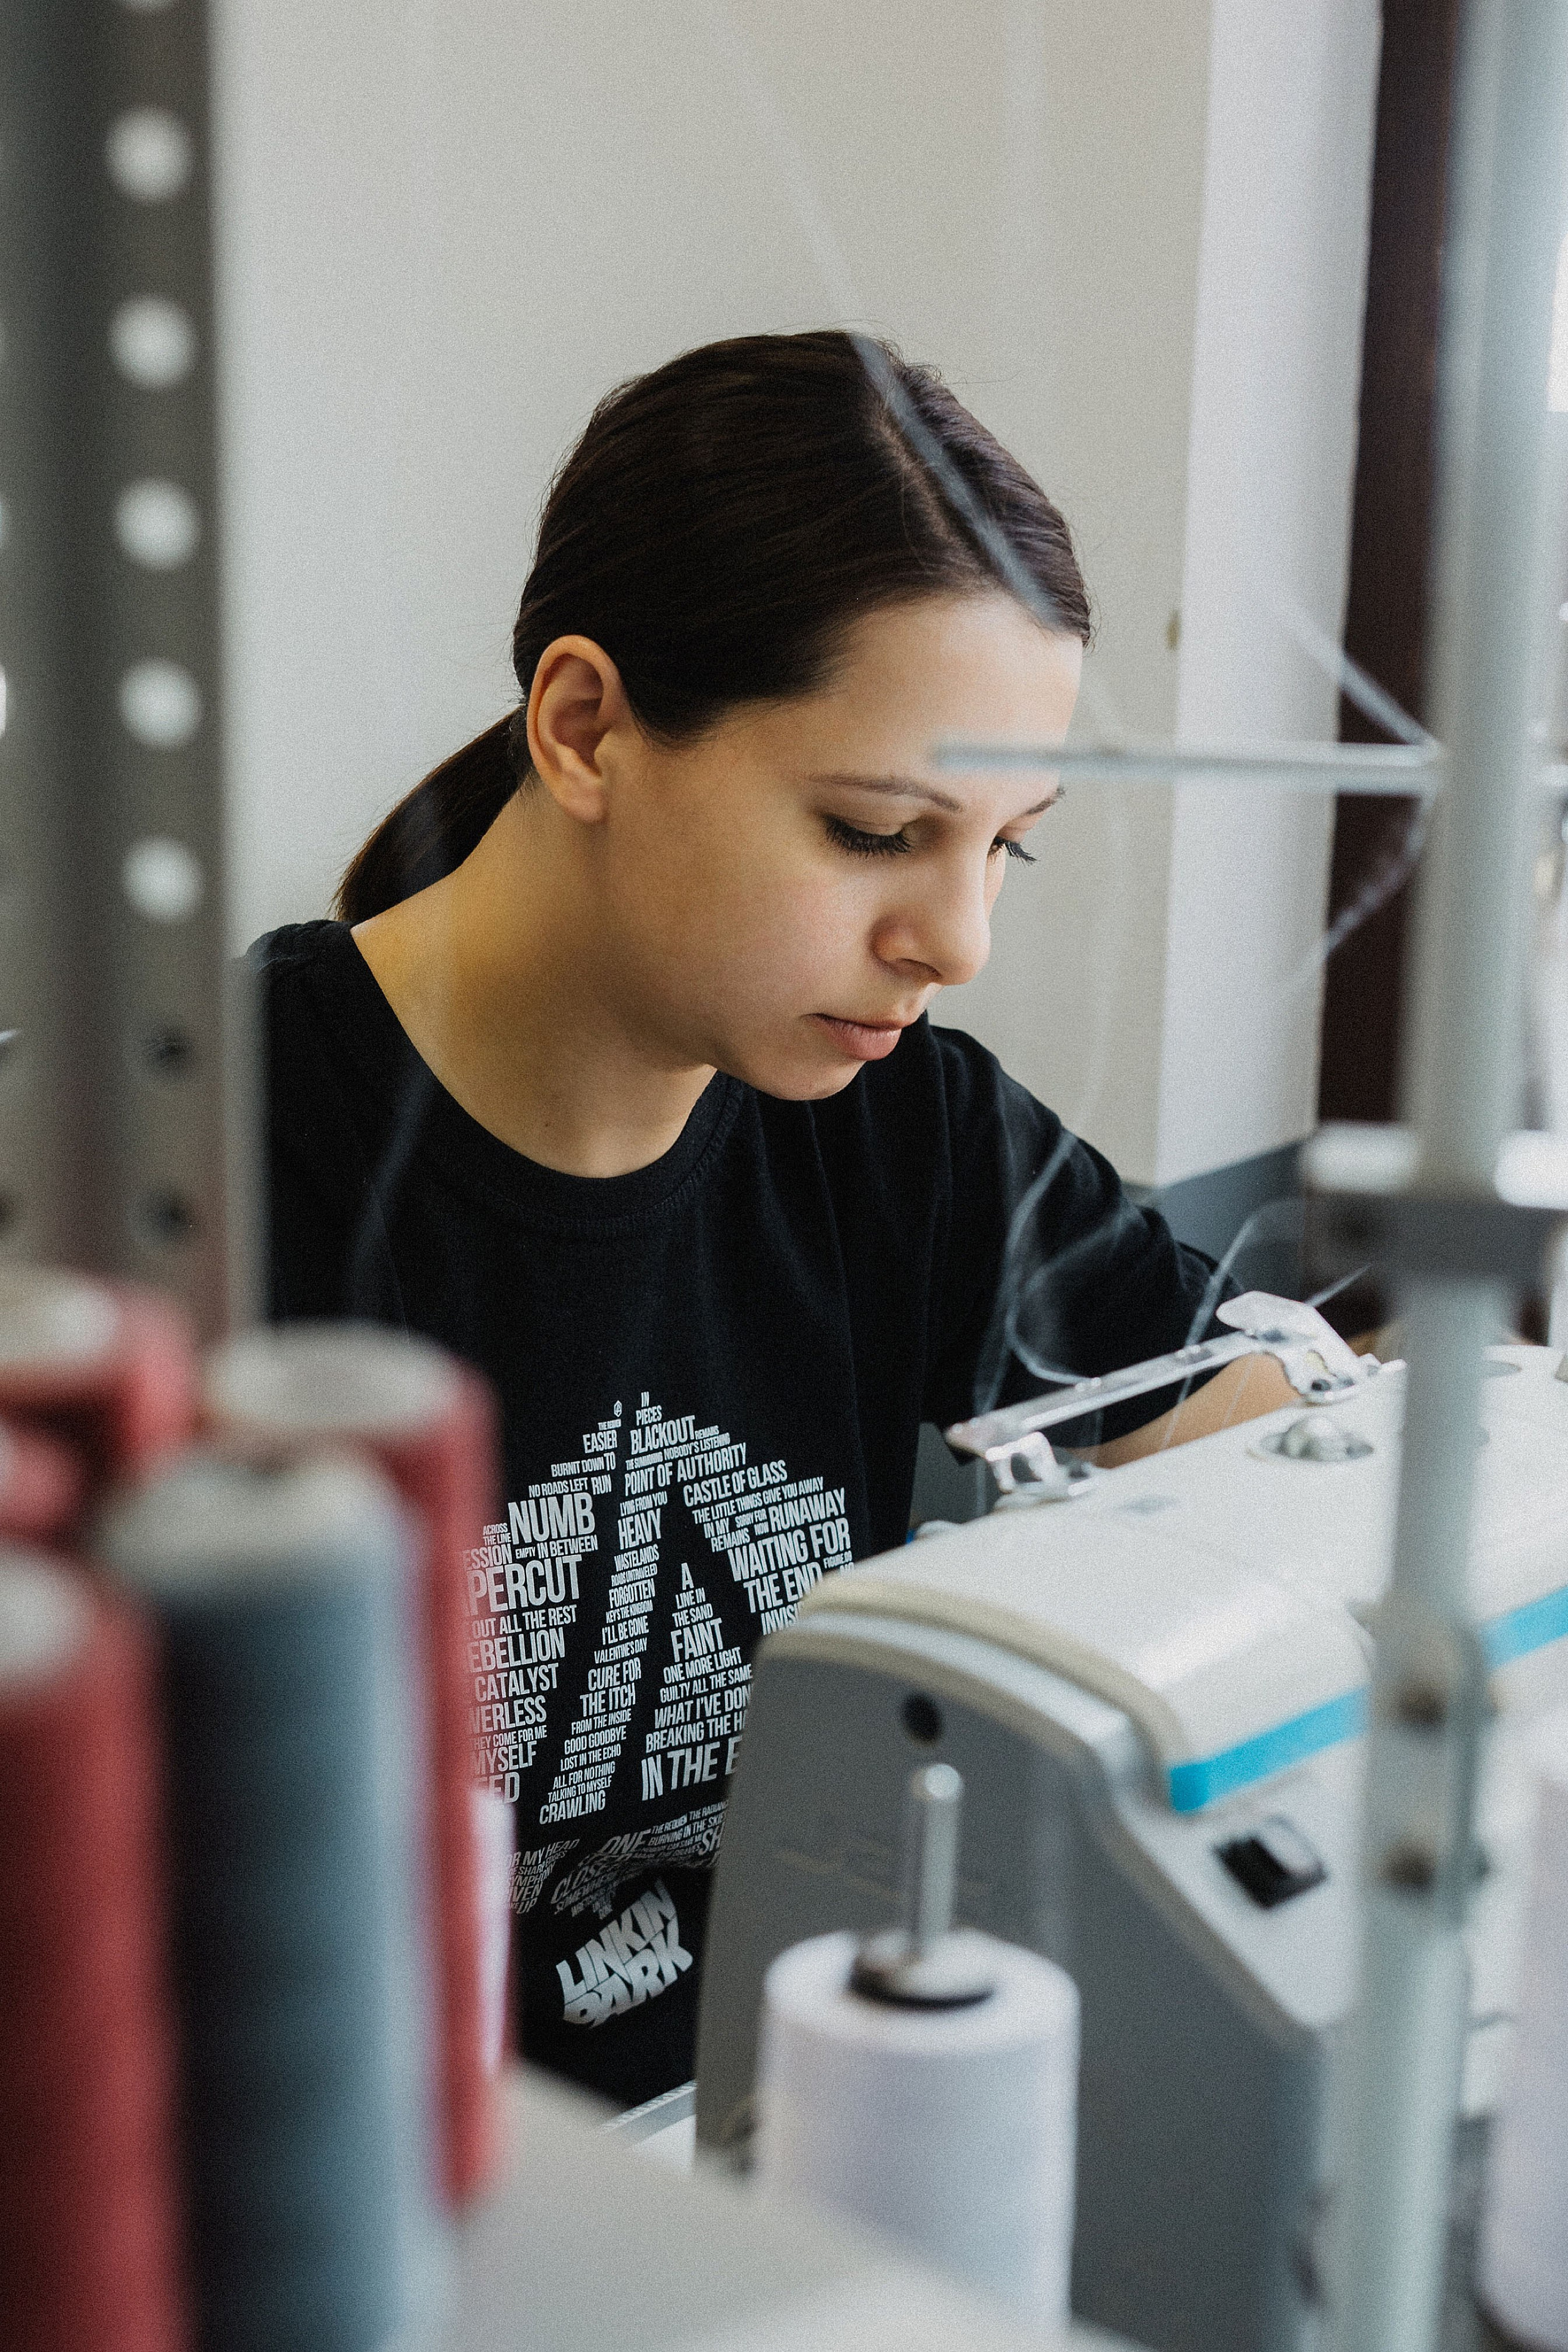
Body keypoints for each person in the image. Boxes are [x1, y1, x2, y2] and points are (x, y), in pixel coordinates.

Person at [254, 328, 1294, 2108]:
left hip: (785, 2134)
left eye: (1003, 846)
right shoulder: (217, 1151)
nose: (956, 939)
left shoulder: (913, 1130)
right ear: (586, 727)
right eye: (879, 830)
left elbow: (1273, 1465)